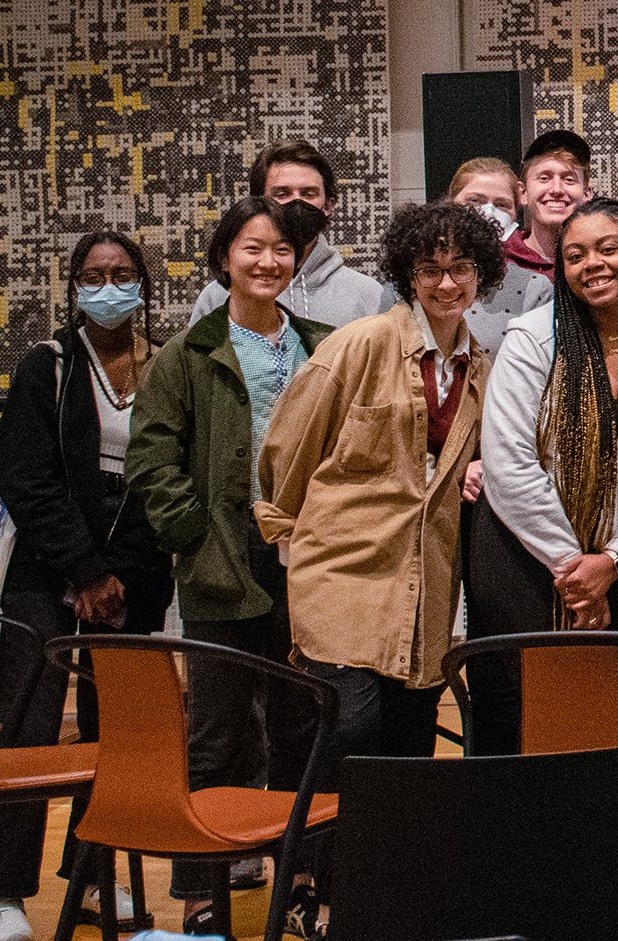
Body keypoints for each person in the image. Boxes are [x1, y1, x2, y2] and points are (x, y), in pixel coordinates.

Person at [253, 201, 505, 935]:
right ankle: (318, 889)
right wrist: (290, 537)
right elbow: (287, 448)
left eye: (460, 268)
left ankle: (389, 898)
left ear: (481, 275)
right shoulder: (359, 344)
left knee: (409, 738)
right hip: (341, 567)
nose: (446, 283)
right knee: (353, 726)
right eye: (430, 269)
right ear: (407, 274)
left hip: (425, 579)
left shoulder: (481, 364)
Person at [126, 198, 329, 935]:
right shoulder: (188, 353)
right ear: (224, 258)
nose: (268, 262)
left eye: (281, 250)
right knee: (216, 730)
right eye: (252, 248)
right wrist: (193, 531)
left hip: (310, 559)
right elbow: (152, 457)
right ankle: (201, 894)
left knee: (303, 726)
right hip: (222, 555)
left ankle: (300, 881)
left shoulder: (323, 344)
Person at [467, 197, 618, 774]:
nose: (592, 264)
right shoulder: (533, 338)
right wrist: (572, 568)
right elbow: (508, 463)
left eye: (608, 248)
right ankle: (534, 835)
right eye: (575, 255)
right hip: (523, 555)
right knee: (533, 719)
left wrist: (613, 561)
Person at [0, 233, 174, 941]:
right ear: (74, 288)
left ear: (143, 283)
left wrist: (119, 573)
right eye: (93, 276)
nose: (108, 287)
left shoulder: (167, 363)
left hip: (134, 574)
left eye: (122, 274)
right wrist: (84, 570)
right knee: (28, 729)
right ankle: (0, 895)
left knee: (112, 732)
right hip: (46, 572)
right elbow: (23, 474)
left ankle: (93, 877)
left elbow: (171, 471)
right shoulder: (48, 366)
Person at [187, 140, 387, 327]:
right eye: (282, 194)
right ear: (259, 202)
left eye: (309, 194)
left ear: (328, 205)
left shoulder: (368, 295)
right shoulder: (219, 296)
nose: (297, 203)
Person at [446, 156, 555, 351]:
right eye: (474, 201)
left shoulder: (535, 288)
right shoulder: (415, 277)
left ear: (515, 213)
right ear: (451, 204)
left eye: (502, 204)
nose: (488, 212)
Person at [502, 128, 594, 278]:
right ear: (523, 192)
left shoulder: (599, 263)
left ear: (586, 194)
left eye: (569, 179)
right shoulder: (498, 263)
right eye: (544, 178)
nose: (556, 189)